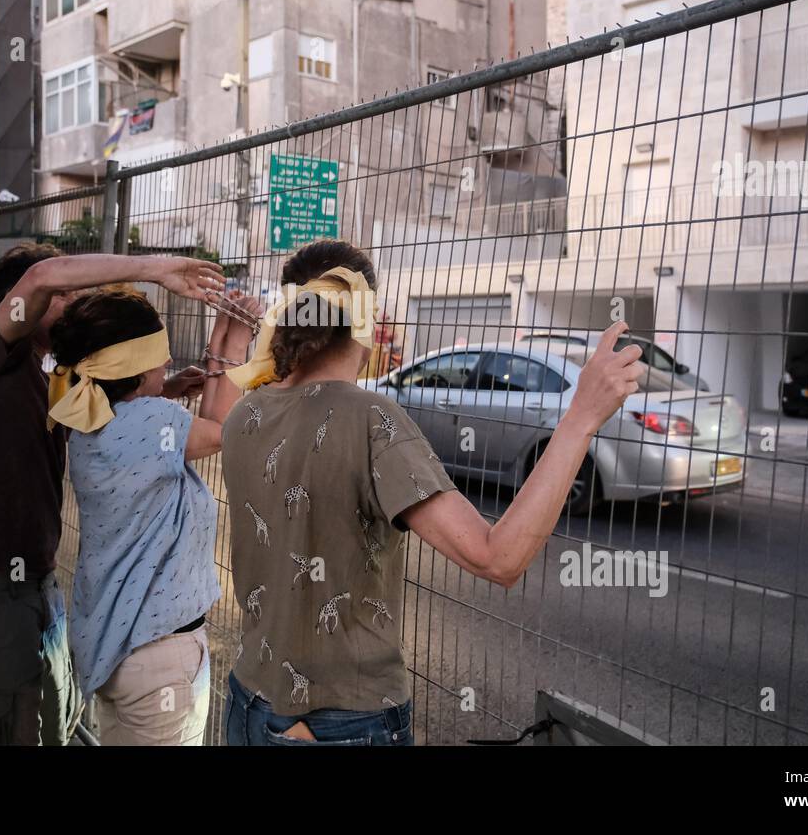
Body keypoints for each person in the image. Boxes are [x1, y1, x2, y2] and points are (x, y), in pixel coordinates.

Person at [218, 239, 644, 746]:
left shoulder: (245, 412)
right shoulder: (371, 420)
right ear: (369, 324)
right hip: (342, 721)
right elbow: (498, 557)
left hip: (247, 701)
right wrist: (580, 419)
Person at [0, 242, 223, 746]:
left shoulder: (56, 380)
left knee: (52, 727)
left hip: (38, 587)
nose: (71, 303)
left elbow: (109, 421)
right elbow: (44, 274)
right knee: (3, 732)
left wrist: (159, 388)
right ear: (18, 303)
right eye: (61, 295)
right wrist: (155, 269)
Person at [48, 286, 262, 745]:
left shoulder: (87, 418)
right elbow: (225, 428)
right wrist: (238, 340)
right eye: (159, 358)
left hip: (118, 650)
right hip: (160, 659)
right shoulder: (152, 422)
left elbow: (153, 422)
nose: (167, 364)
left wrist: (206, 354)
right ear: (131, 366)